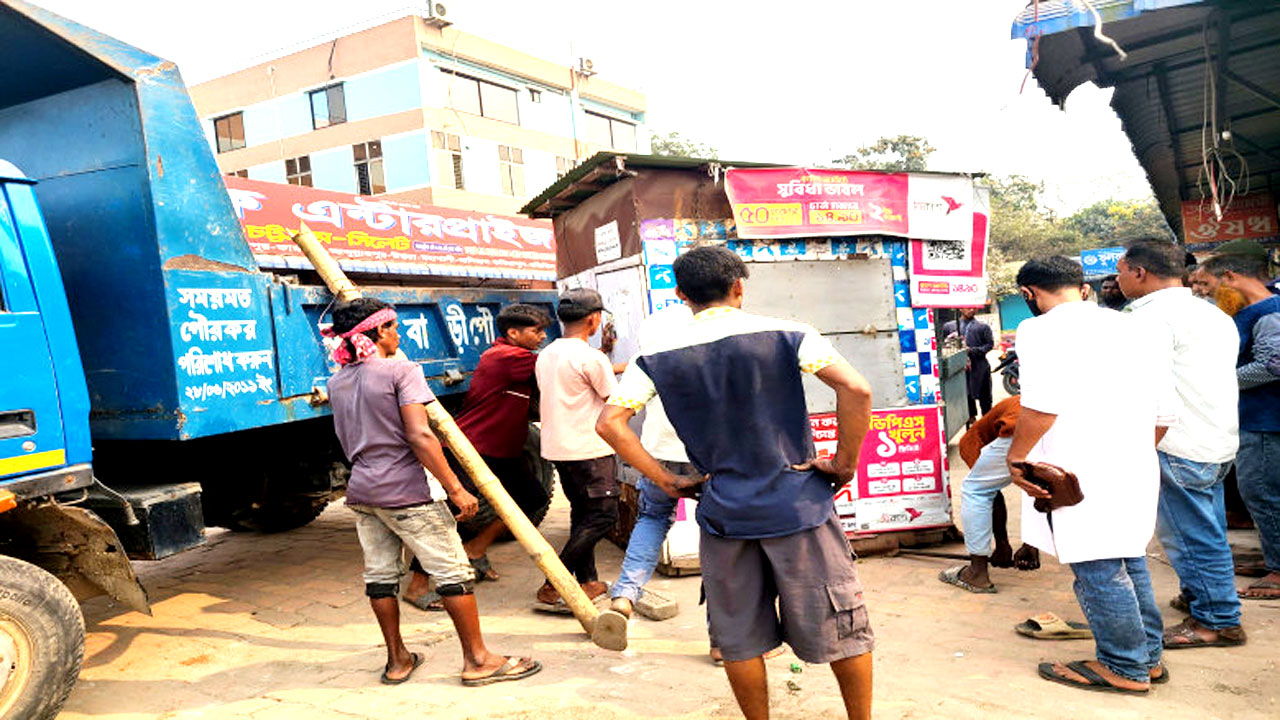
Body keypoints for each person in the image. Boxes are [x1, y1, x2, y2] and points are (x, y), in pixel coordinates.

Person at [596, 246, 876, 720]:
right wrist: (843, 463)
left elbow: (610, 424)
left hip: (724, 513)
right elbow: (856, 388)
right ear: (739, 286)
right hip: (798, 507)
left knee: (738, 636)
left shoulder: (656, 356)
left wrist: (665, 479)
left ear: (682, 294)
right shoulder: (790, 334)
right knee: (839, 624)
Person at [324, 297, 540, 686]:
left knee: (380, 578)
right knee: (454, 572)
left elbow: (345, 438)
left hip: (363, 492)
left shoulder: (337, 380)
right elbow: (420, 435)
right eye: (392, 326)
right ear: (377, 332)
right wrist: (456, 488)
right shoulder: (401, 371)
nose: (398, 332)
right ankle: (478, 660)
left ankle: (398, 660)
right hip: (407, 490)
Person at [1009, 257, 1177, 694]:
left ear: (1029, 293)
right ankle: (1149, 658)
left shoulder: (1039, 330)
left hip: (1077, 467)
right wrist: (1131, 451)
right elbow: (1164, 411)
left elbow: (1041, 406)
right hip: (1136, 463)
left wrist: (1017, 455)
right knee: (1128, 556)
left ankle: (1123, 666)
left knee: (1098, 567)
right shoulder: (1139, 326)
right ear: (1082, 287)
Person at [1116, 239, 1246, 648]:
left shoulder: (1146, 318)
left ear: (1139, 272)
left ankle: (1217, 620)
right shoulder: (1211, 313)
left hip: (1176, 442)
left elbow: (1141, 387)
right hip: (1216, 437)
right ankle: (1203, 595)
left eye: (1121, 271)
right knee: (1207, 528)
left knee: (1191, 536)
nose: (1118, 280)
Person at [402, 304, 550, 610]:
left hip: (504, 451)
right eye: (536, 331)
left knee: (532, 497)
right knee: (449, 515)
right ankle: (417, 586)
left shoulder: (517, 358)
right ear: (513, 333)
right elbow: (559, 366)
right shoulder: (506, 357)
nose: (542, 336)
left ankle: (476, 548)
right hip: (472, 448)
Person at [1201, 250, 1280, 600]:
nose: (1209, 292)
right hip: (1255, 417)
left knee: (1263, 494)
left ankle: (1278, 570)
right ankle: (1272, 559)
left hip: (1265, 420)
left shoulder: (1269, 313)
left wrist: (1217, 379)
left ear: (1230, 277)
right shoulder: (1252, 312)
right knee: (1260, 494)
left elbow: (1272, 365)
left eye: (1211, 284)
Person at [534, 288, 620, 607]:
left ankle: (588, 581)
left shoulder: (547, 353)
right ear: (593, 319)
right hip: (590, 450)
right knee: (603, 516)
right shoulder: (590, 358)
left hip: (560, 449)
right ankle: (552, 582)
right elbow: (615, 401)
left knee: (583, 514)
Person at [938, 395, 1040, 593]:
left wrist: (1003, 544)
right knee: (1041, 484)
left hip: (1022, 422)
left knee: (975, 490)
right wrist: (1028, 544)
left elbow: (987, 493)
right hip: (1048, 420)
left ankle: (977, 574)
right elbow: (1036, 489)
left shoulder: (970, 441)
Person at [958, 307, 994, 422]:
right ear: (960, 309)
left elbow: (989, 344)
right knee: (966, 395)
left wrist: (973, 351)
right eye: (968, 307)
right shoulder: (951, 326)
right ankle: (971, 418)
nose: (971, 310)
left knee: (985, 397)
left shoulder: (983, 327)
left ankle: (987, 421)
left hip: (980, 366)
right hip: (960, 368)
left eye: (974, 308)